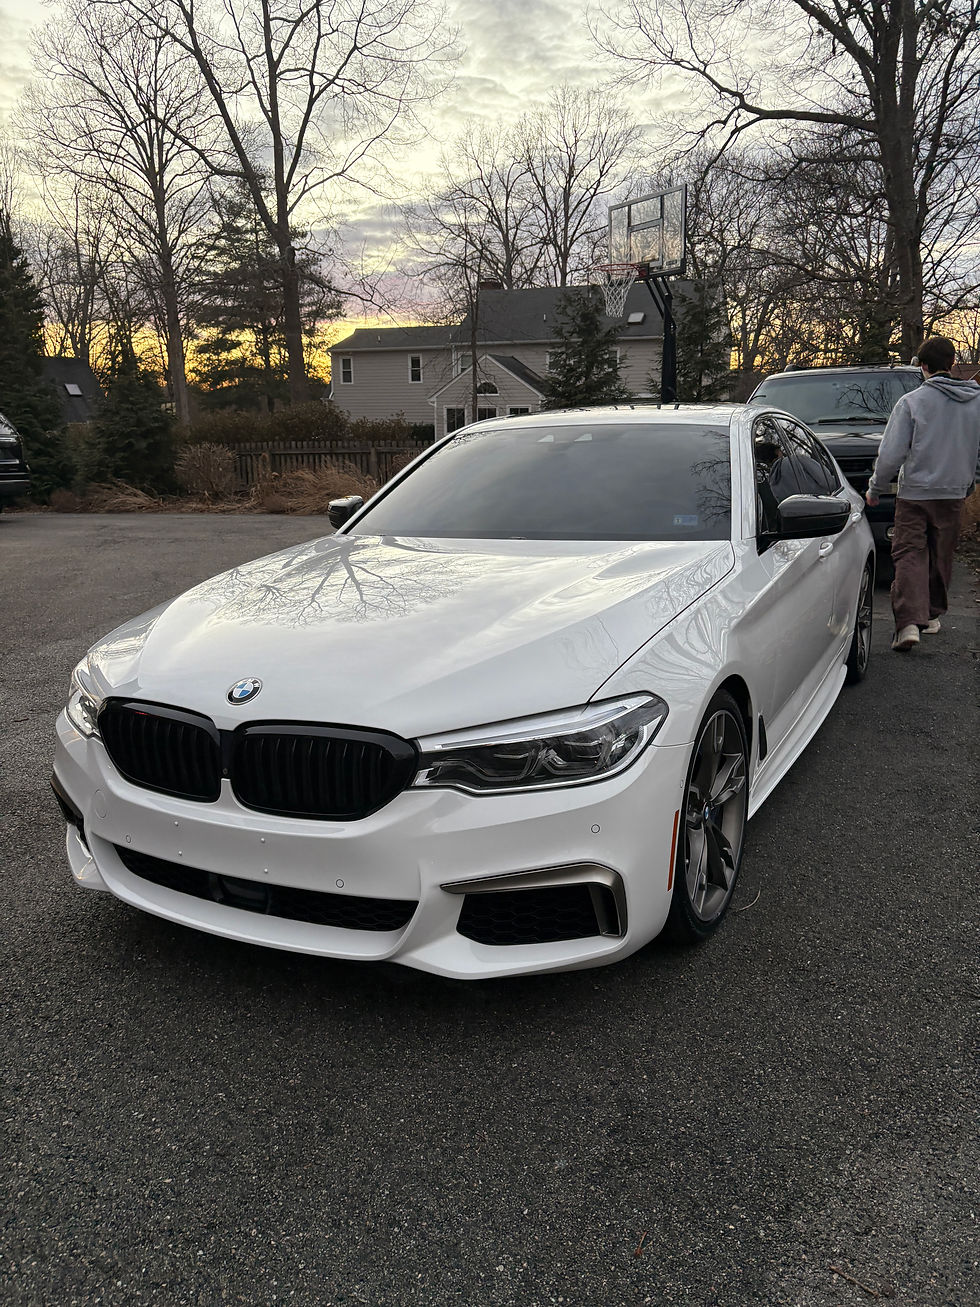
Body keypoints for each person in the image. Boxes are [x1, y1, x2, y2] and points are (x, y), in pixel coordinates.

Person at [866, 337, 980, 651]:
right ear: (952, 362)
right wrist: (970, 481)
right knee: (941, 555)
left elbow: (891, 454)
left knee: (909, 553)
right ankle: (930, 616)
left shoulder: (912, 402)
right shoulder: (976, 401)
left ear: (924, 367)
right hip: (954, 492)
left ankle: (908, 625)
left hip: (915, 493)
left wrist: (876, 487)